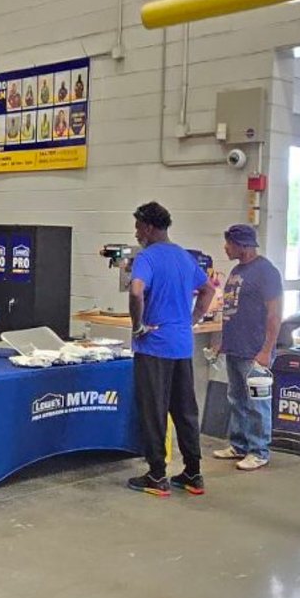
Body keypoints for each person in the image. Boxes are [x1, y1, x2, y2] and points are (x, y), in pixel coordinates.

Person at [126, 201, 217, 497]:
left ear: (149, 228)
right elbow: (208, 290)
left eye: (139, 226)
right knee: (185, 410)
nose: (137, 232)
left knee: (154, 411)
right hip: (181, 346)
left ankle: (156, 475)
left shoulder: (147, 258)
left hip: (154, 347)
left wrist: (138, 324)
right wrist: (190, 320)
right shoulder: (184, 257)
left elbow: (136, 290)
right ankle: (193, 472)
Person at [212, 224, 283, 472]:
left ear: (242, 245)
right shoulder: (235, 271)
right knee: (237, 399)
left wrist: (266, 350)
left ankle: (259, 451)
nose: (225, 247)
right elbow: (231, 309)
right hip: (235, 347)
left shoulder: (266, 272)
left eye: (229, 243)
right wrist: (223, 341)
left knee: (257, 403)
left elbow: (275, 315)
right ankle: (239, 445)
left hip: (255, 350)